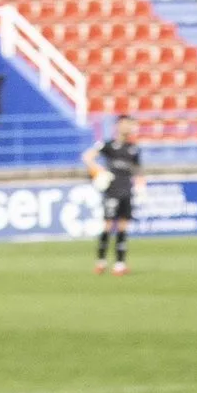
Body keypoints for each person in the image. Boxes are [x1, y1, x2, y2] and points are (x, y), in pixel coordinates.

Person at [83, 115, 143, 276]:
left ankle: (119, 264)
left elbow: (137, 169)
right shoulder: (108, 145)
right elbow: (87, 157)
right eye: (125, 124)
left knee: (123, 227)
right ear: (118, 126)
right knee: (108, 226)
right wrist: (99, 171)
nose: (128, 127)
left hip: (127, 190)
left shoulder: (133, 148)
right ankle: (101, 262)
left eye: (130, 124)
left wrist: (140, 185)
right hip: (112, 191)